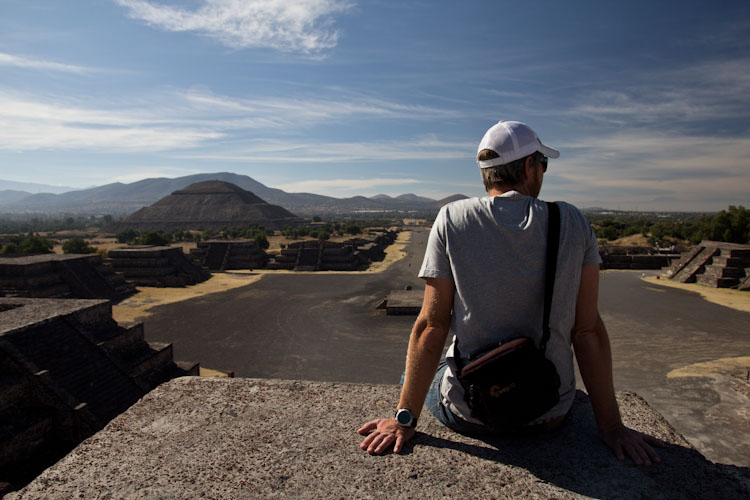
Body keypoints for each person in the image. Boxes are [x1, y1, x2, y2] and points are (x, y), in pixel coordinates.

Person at [358, 120, 663, 465]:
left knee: (419, 371)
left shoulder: (451, 219)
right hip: (549, 412)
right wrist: (612, 427)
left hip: (473, 413)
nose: (543, 172)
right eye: (543, 164)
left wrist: (404, 419)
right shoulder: (572, 221)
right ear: (531, 166)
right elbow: (587, 329)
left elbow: (432, 326)